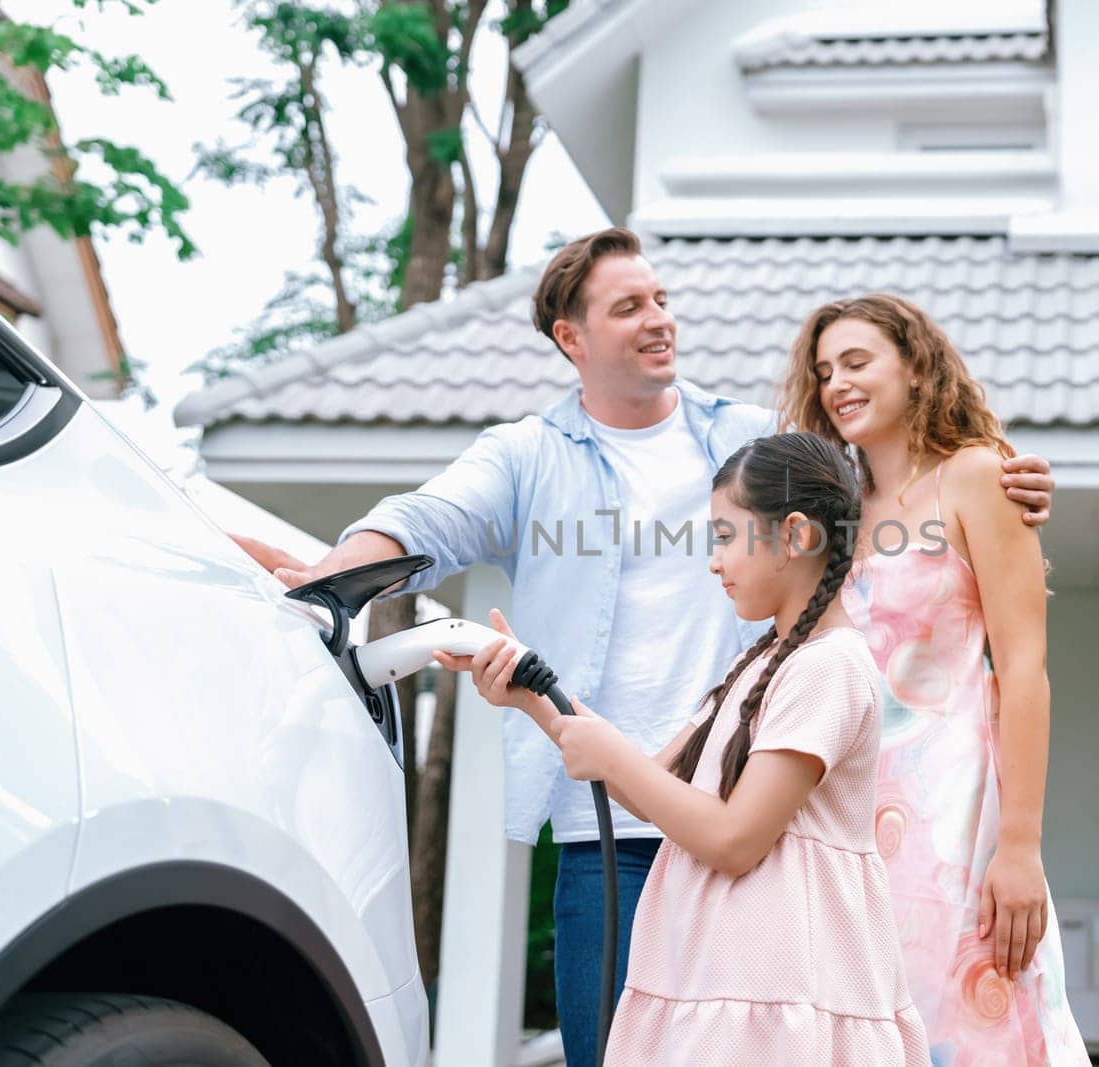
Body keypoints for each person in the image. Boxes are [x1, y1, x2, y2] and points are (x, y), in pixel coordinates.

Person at [230, 228, 1056, 1065]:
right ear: (572, 339)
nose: (659, 319)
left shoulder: (751, 441)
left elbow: (889, 468)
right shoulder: (527, 456)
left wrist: (1003, 474)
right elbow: (422, 521)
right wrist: (330, 579)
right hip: (617, 819)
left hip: (764, 815)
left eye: (661, 299)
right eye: (629, 307)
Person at [452, 433, 930, 1065]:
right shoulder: (759, 663)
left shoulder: (828, 668)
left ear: (796, 535)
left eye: (727, 537)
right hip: (729, 978)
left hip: (781, 990)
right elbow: (650, 790)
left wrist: (612, 755)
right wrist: (534, 696)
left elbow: (736, 839)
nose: (713, 562)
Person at [778, 294, 1091, 1065]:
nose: (836, 384)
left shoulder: (979, 478)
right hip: (841, 821)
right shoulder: (832, 517)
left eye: (857, 362)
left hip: (955, 818)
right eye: (824, 371)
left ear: (917, 369)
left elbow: (1023, 670)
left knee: (974, 1030)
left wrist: (1018, 846)